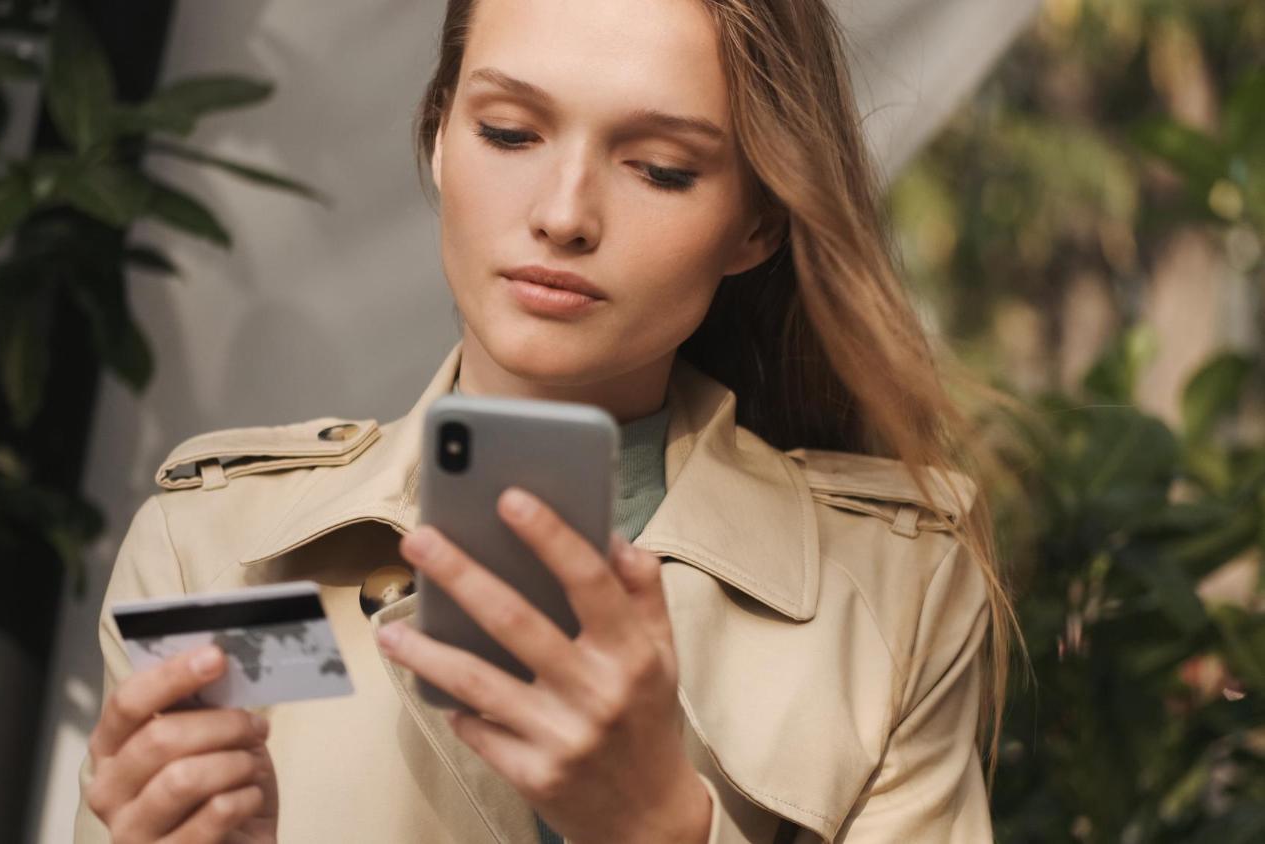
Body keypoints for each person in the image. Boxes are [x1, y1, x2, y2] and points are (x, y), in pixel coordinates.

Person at [74, 0, 1019, 840]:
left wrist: (652, 828)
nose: (564, 215)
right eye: (511, 132)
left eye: (660, 168)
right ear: (439, 135)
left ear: (758, 222)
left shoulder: (898, 591)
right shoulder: (220, 555)